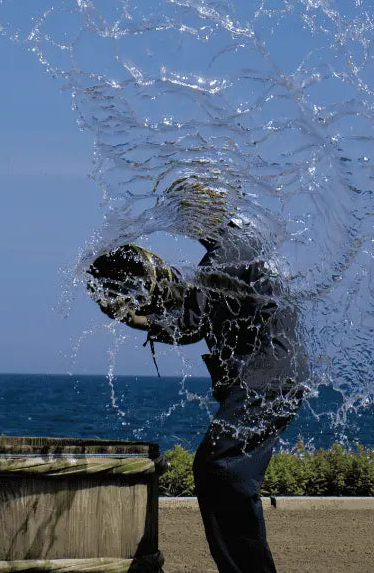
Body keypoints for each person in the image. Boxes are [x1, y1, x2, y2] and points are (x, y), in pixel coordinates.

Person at [87, 177, 307, 573]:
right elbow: (203, 311)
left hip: (265, 377)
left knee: (222, 471)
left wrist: (128, 315)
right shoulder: (245, 245)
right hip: (276, 374)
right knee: (221, 472)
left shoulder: (226, 255)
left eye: (185, 212)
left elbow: (189, 324)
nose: (181, 222)